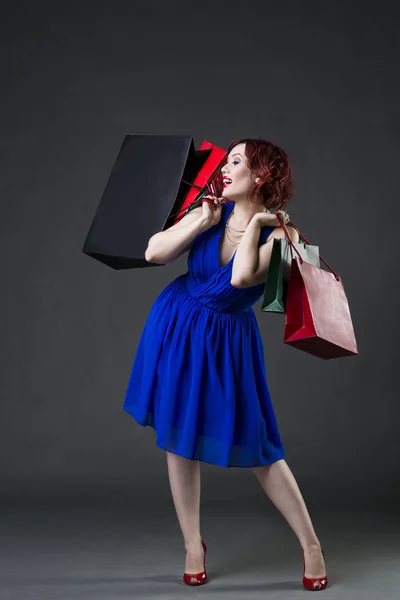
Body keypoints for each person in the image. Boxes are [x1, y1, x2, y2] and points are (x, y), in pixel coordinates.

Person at [123, 138, 328, 591]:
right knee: (178, 437)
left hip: (225, 340)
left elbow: (239, 278)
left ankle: (311, 544)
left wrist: (255, 223)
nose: (223, 166)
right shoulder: (207, 211)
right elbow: (154, 253)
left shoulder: (283, 236)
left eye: (236, 161)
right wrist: (201, 218)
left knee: (259, 447)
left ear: (261, 176)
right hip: (175, 324)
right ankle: (193, 544)